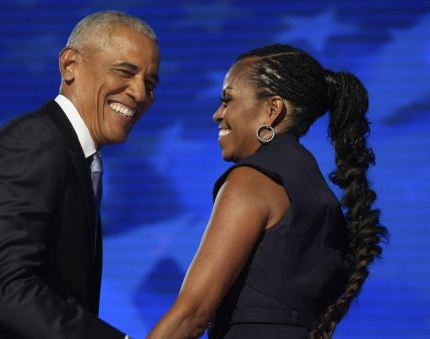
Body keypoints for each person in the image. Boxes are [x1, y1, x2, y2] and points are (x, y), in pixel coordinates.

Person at [0, 10, 159, 339]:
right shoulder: (33, 144)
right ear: (69, 65)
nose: (139, 93)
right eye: (125, 72)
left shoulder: (71, 153)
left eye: (150, 83)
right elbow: (6, 290)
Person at [147, 44, 387, 339]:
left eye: (227, 100)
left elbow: (192, 315)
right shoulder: (317, 190)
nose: (217, 114)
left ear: (272, 110)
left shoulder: (251, 181)